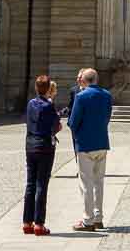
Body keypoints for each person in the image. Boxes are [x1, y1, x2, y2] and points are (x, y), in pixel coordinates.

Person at [68, 68, 112, 232]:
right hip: (102, 142)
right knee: (99, 182)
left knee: (86, 183)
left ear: (85, 80)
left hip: (85, 144)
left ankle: (88, 220)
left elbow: (73, 121)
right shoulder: (107, 95)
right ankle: (98, 217)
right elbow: (108, 116)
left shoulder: (81, 96)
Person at [22, 74, 62, 236]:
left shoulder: (31, 103)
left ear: (36, 88)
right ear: (48, 89)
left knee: (30, 183)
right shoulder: (48, 106)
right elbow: (57, 126)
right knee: (41, 185)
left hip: (30, 146)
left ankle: (27, 222)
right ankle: (39, 224)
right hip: (44, 147)